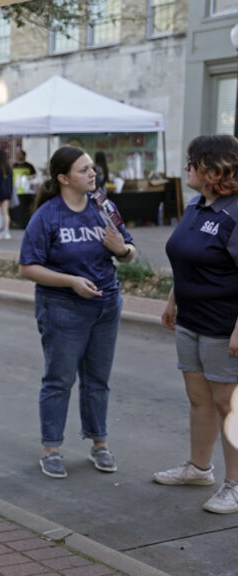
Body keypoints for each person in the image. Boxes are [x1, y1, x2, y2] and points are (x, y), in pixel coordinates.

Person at [18, 145, 135, 479]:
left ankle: (99, 444)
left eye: (92, 168)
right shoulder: (48, 216)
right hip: (63, 309)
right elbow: (27, 267)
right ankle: (51, 448)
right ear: (63, 178)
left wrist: (122, 249)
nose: (92, 174)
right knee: (59, 379)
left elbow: (128, 250)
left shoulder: (103, 207)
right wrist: (70, 281)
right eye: (84, 170)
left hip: (106, 306)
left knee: (98, 380)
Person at [157, 134, 238, 514]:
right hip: (190, 320)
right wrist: (173, 301)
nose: (186, 168)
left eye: (193, 162)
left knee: (228, 404)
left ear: (215, 169)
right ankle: (198, 468)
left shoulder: (235, 212)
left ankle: (235, 484)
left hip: (224, 325)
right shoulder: (195, 205)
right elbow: (186, 260)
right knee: (198, 397)